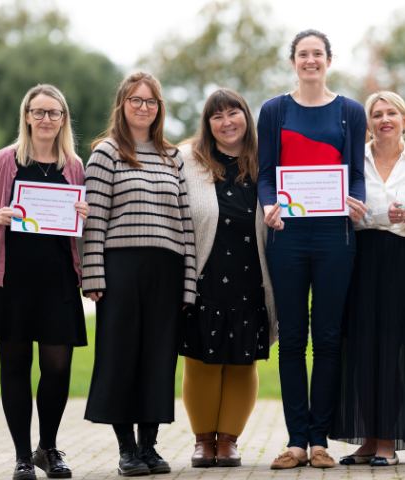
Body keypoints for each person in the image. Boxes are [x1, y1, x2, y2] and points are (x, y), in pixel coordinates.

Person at [257, 29, 366, 469]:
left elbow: (355, 173)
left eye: (317, 54)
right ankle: (296, 440)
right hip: (287, 235)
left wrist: (356, 203)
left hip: (334, 237)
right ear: (293, 61)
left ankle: (319, 441)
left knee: (327, 337)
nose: (310, 61)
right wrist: (269, 206)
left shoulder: (350, 111)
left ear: (329, 60)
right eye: (303, 54)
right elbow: (266, 174)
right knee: (292, 339)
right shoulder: (274, 110)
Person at [81, 72, 196, 477]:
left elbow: (185, 224)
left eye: (150, 101)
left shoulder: (172, 156)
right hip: (121, 267)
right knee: (120, 356)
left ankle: (150, 446)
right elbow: (94, 221)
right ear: (122, 105)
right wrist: (92, 274)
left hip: (167, 270)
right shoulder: (107, 153)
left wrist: (189, 282)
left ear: (159, 107)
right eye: (135, 100)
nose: (143, 107)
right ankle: (127, 449)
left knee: (159, 358)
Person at [0, 84, 89, 480]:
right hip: (10, 280)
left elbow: (82, 224)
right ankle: (23, 456)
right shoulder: (6, 160)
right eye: (39, 112)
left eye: (54, 113)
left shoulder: (74, 165)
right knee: (15, 367)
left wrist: (84, 212)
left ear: (63, 119)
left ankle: (48, 447)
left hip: (58, 279)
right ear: (26, 116)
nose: (46, 119)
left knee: (58, 367)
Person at [329, 91, 405, 466]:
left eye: (391, 112)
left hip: (401, 260)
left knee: (393, 349)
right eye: (376, 114)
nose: (384, 119)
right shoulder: (351, 162)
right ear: (368, 123)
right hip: (358, 259)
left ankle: (388, 441)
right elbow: (346, 213)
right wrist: (381, 216)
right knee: (359, 347)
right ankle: (367, 438)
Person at [178, 88, 278, 468]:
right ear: (207, 124)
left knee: (242, 361)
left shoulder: (265, 160)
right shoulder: (187, 159)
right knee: (201, 359)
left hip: (253, 275)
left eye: (232, 113)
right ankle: (204, 440)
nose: (226, 122)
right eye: (216, 116)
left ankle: (229, 441)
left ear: (245, 117)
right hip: (205, 272)